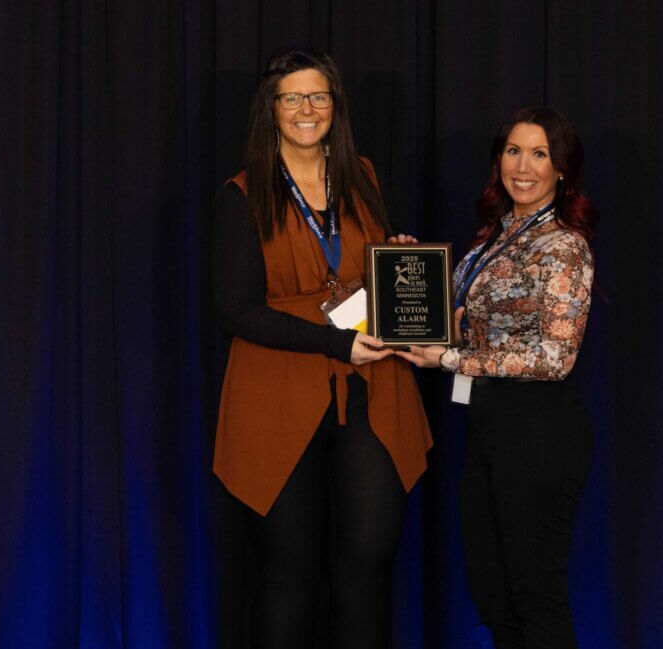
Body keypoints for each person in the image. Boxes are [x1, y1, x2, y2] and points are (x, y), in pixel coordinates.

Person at [211, 46, 432, 649]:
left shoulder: (363, 176)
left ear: (335, 105)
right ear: (271, 109)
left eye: (318, 96)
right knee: (289, 577)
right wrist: (335, 344)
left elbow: (365, 275)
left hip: (371, 388)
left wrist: (398, 263)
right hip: (277, 393)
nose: (307, 109)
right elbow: (235, 312)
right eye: (292, 98)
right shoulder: (243, 193)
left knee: (367, 569)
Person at [396, 107, 598, 648]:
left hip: (540, 430)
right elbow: (464, 327)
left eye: (540, 154)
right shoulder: (492, 237)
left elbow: (555, 357)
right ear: (498, 161)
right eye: (513, 151)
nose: (524, 166)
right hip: (487, 427)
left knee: (536, 594)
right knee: (494, 598)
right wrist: (408, 277)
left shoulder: (564, 246)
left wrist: (451, 360)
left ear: (561, 169)